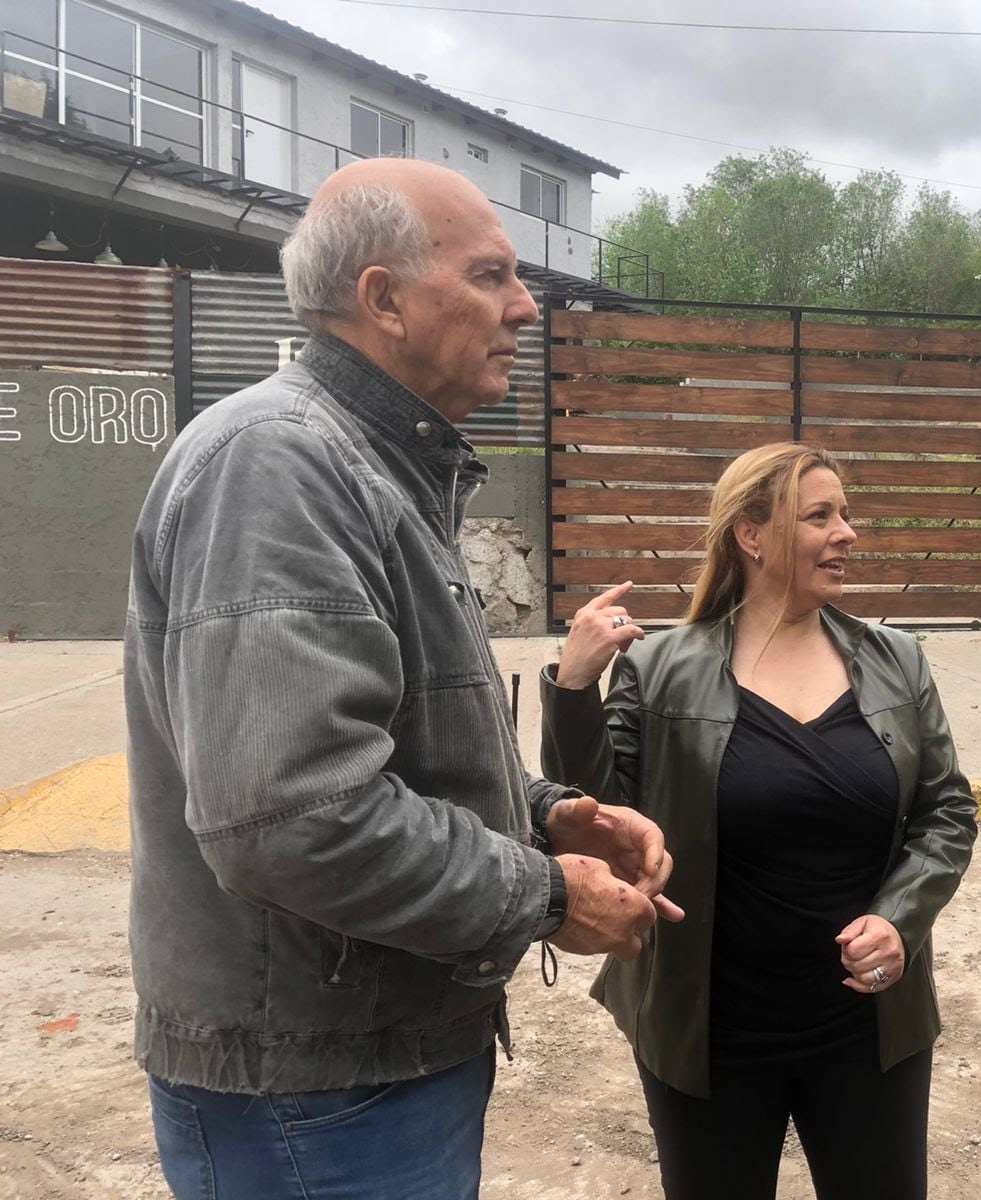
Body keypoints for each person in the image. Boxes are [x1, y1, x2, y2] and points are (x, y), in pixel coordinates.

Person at [124, 159, 681, 1199]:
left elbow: (380, 750)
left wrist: (544, 812)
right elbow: (292, 816)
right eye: (490, 276)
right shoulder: (280, 465)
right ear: (382, 299)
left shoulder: (372, 464)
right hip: (312, 1091)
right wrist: (547, 893)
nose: (525, 308)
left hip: (363, 1064)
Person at [540, 442, 978, 1200]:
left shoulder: (896, 660)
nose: (847, 533)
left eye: (846, 513)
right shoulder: (660, 667)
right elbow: (598, 822)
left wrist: (900, 921)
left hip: (868, 1026)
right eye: (820, 516)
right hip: (710, 1033)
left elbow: (947, 810)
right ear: (752, 535)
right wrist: (574, 685)